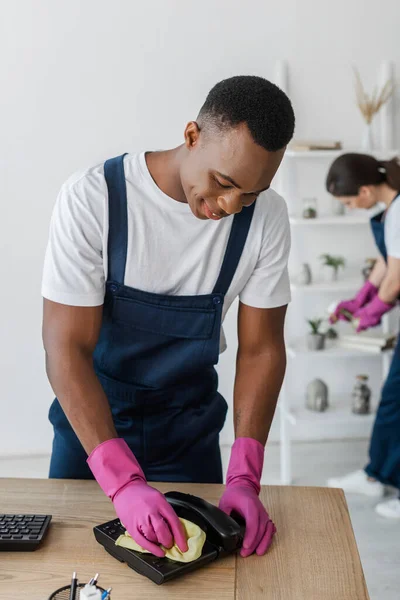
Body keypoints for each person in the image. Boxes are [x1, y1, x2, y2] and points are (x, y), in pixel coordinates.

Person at [42, 76, 295, 557]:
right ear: (192, 135)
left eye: (251, 194)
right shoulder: (93, 198)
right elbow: (65, 348)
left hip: (189, 433)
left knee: (200, 576)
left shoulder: (267, 220)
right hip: (92, 434)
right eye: (223, 183)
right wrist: (120, 481)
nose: (229, 206)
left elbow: (262, 349)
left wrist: (245, 474)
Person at [326, 153, 400, 519]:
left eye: (349, 202)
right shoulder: (391, 211)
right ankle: (378, 475)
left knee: (395, 401)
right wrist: (358, 300)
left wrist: (372, 312)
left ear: (367, 190)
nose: (352, 208)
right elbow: (387, 263)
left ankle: (380, 477)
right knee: (393, 401)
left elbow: (396, 281)